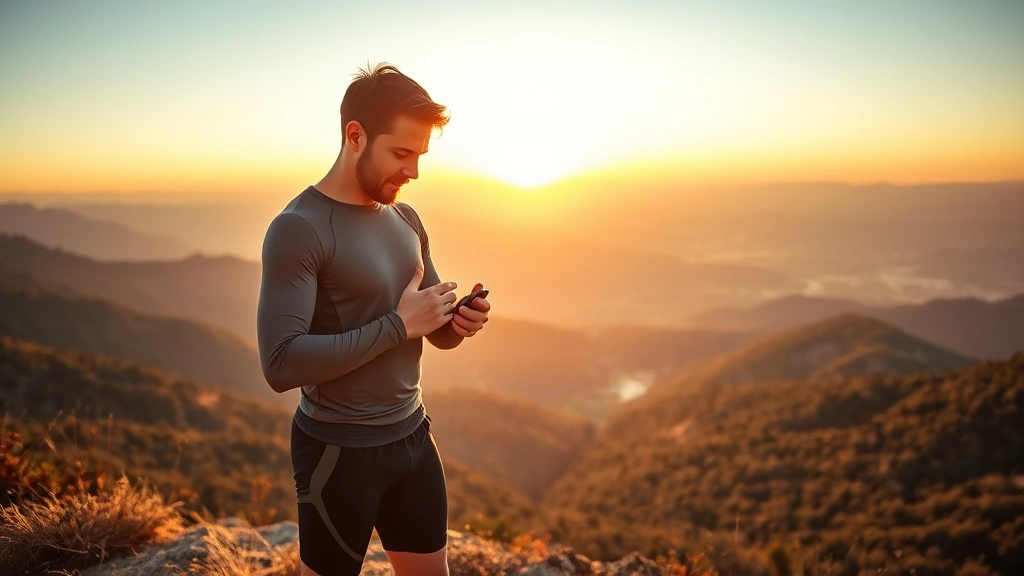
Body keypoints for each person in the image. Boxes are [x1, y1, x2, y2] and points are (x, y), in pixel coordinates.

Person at [256, 63, 490, 576]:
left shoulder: (406, 219)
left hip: (412, 439)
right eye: (401, 153)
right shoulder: (299, 229)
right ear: (355, 136)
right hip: (337, 453)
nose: (413, 172)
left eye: (420, 156)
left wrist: (456, 322)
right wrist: (398, 327)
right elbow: (279, 363)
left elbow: (432, 327)